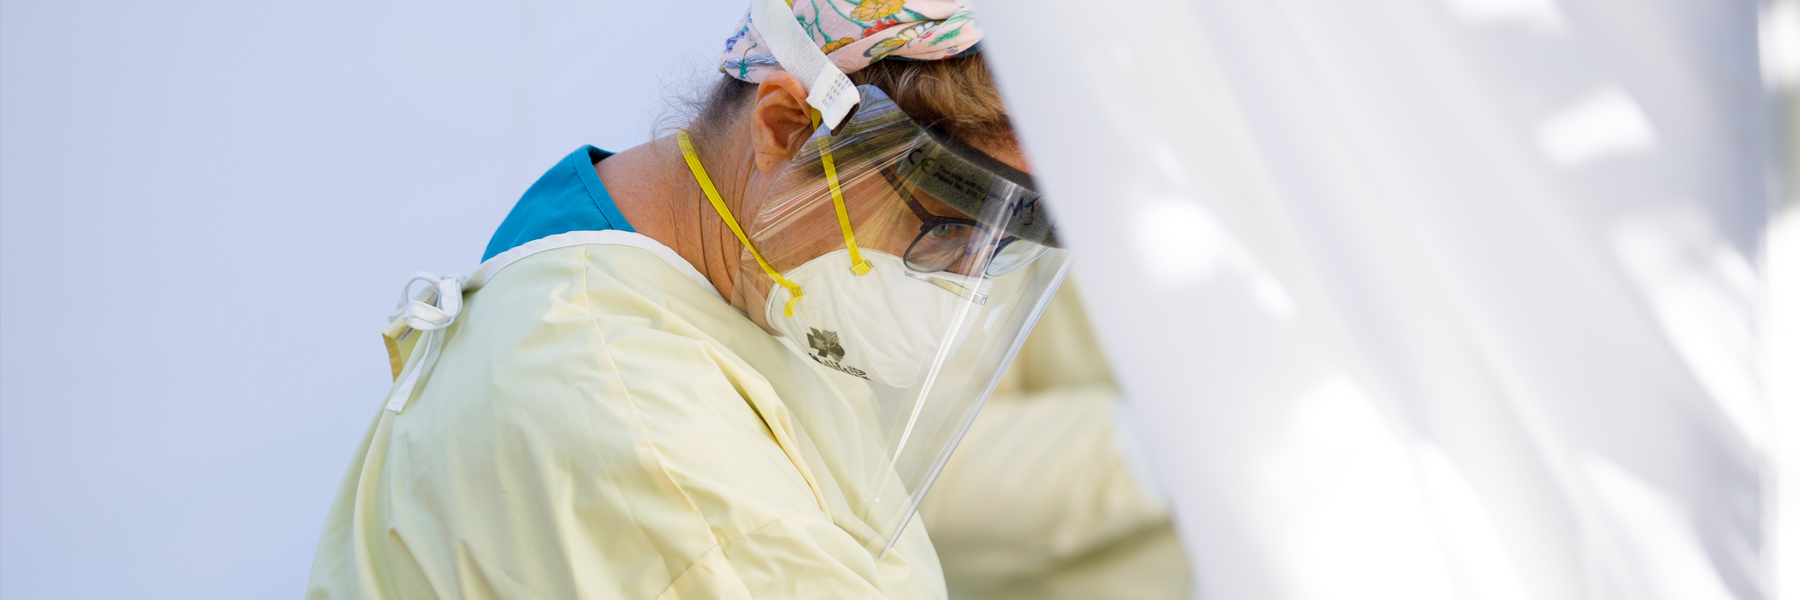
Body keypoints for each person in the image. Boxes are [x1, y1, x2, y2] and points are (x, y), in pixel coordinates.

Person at [305, 1, 1070, 598]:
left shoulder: (699, 268)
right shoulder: (632, 418)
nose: (962, 277)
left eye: (1000, 245)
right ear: (786, 128)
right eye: (944, 222)